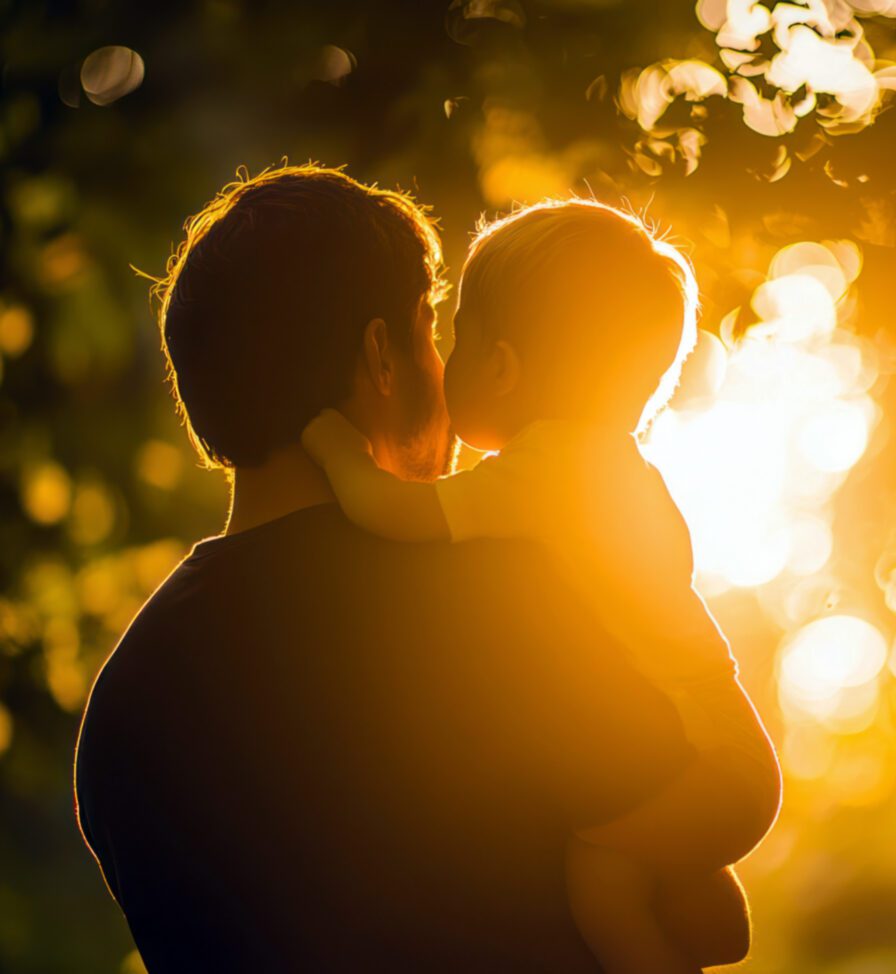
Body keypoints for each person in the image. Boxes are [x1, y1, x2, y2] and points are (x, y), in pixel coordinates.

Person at [73, 163, 753, 973]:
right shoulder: (497, 599)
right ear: (381, 358)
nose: (447, 367)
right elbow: (715, 923)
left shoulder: (122, 713)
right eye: (433, 329)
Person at [301, 198, 782, 971]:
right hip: (730, 753)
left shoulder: (541, 472)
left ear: (501, 366)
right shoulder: (624, 472)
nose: (446, 361)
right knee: (662, 877)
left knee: (597, 879)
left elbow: (394, 511)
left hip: (698, 762)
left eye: (457, 338)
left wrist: (335, 446)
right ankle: (708, 904)